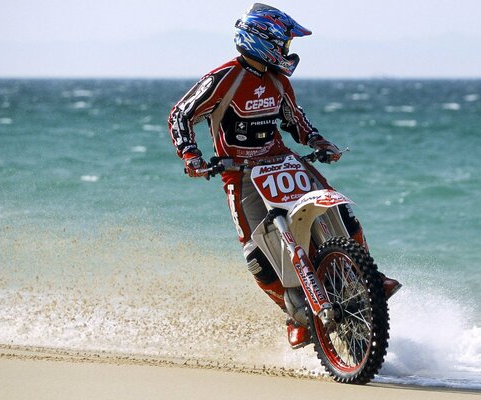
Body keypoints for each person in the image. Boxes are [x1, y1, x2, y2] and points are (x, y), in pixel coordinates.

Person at [168, 3, 401, 348]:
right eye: (284, 44)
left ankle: (369, 277)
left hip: (283, 162)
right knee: (257, 260)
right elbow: (180, 115)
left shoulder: (278, 81)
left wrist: (318, 141)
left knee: (340, 209)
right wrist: (192, 156)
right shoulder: (223, 79)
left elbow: (296, 121)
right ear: (264, 40)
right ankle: (295, 315)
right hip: (240, 173)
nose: (287, 52)